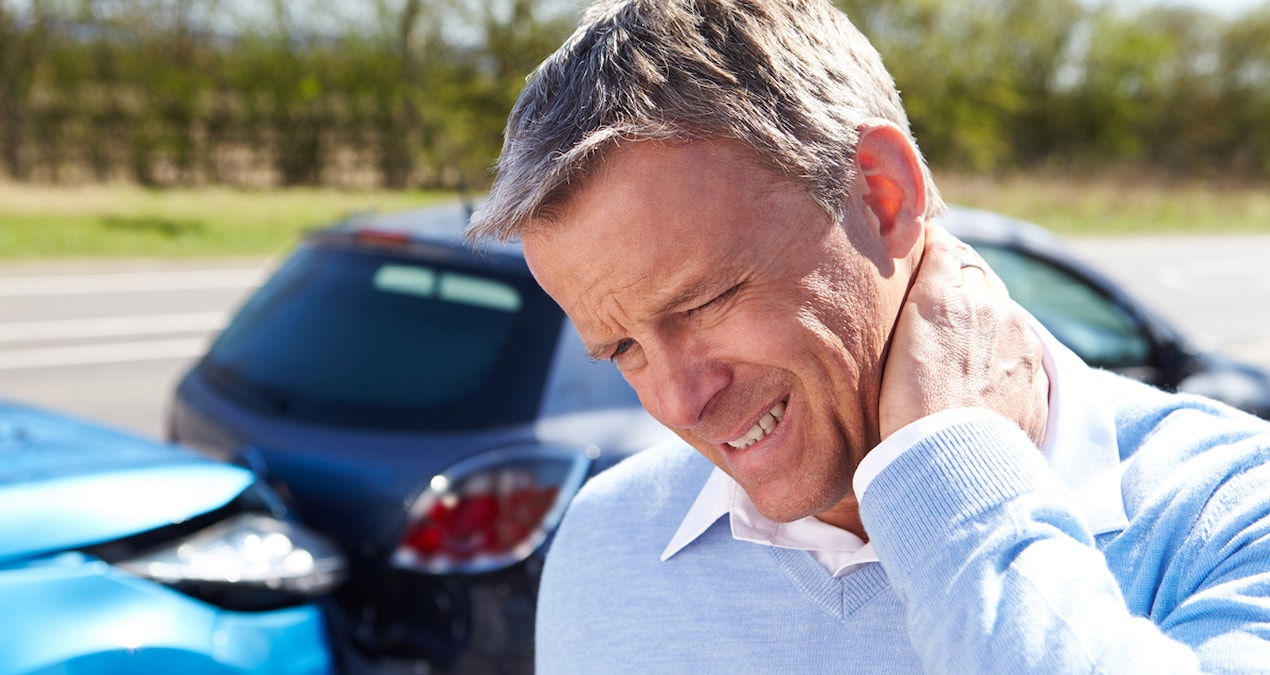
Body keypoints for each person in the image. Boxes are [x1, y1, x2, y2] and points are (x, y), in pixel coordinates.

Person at [466, 0, 1270, 671]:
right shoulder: (607, 539)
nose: (678, 401)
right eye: (623, 349)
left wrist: (953, 484)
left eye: (705, 301)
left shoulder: (1235, 514)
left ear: (884, 196)